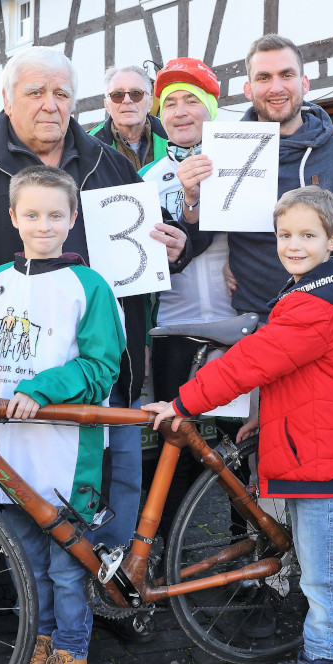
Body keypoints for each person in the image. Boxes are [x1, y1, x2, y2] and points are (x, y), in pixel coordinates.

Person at [0, 46, 200, 643]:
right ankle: (41, 623)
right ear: (7, 100)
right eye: (36, 92)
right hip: (11, 375)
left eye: (62, 93)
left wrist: (174, 246)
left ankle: (111, 601)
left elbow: (154, 245)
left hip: (101, 370)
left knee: (110, 488)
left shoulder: (108, 166)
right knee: (24, 500)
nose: (51, 105)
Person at [146, 186, 333, 664]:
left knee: (320, 577)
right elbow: (295, 376)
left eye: (306, 235)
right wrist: (266, 417)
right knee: (315, 567)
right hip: (311, 445)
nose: (292, 245)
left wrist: (182, 401)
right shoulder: (317, 290)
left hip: (317, 460)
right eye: (284, 236)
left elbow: (249, 362)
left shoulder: (312, 305)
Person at [0, 165, 126, 664]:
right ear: (13, 219)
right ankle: (44, 647)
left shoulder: (89, 286)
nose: (43, 225)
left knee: (67, 566)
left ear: (73, 220)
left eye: (55, 215)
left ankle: (74, 658)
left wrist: (40, 390)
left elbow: (102, 367)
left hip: (63, 455)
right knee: (26, 560)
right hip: (6, 448)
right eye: (32, 215)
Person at [175, 34, 333, 316]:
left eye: (286, 75)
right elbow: (199, 243)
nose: (276, 87)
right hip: (254, 317)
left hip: (328, 311)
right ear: (249, 89)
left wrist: (313, 215)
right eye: (264, 77)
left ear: (304, 83)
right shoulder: (225, 147)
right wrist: (192, 199)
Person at [141, 57, 236, 528]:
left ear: (211, 109)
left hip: (240, 323)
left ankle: (251, 546)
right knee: (174, 439)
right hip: (172, 327)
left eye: (191, 101)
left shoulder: (240, 161)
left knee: (244, 440)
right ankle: (164, 551)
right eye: (171, 103)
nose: (180, 112)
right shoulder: (147, 177)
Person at [90, 65, 168, 170]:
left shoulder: (171, 134)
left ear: (150, 102)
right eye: (117, 94)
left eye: (136, 93)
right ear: (107, 105)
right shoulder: (89, 145)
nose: (127, 100)